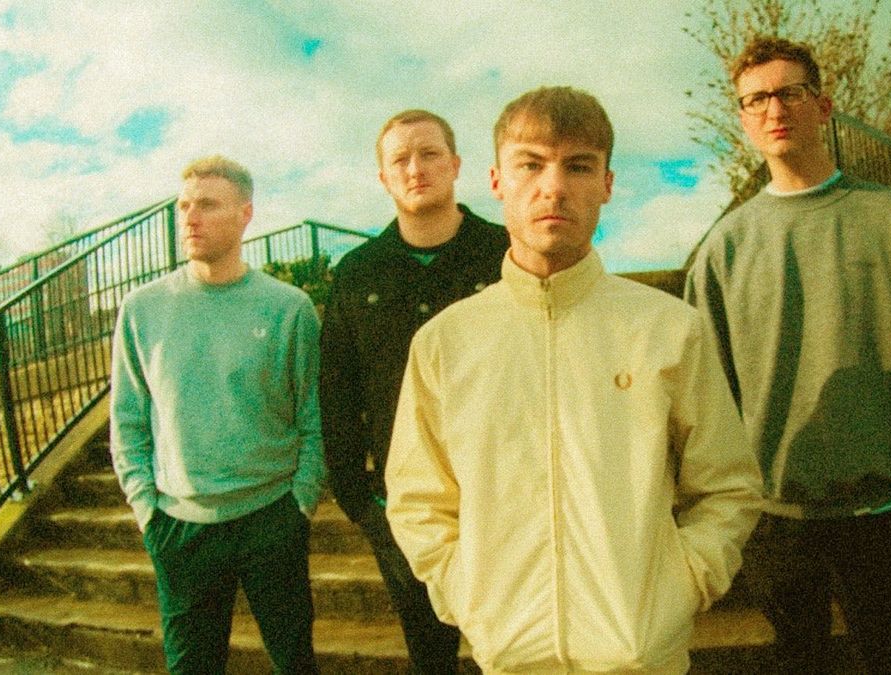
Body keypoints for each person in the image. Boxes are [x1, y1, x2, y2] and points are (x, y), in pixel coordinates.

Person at [384, 86, 762, 674]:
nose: (554, 187)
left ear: (607, 184)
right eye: (530, 164)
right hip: (509, 658)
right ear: (496, 181)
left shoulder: (669, 329)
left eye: (579, 166)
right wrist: (469, 594)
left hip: (643, 661)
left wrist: (684, 582)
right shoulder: (444, 343)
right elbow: (417, 500)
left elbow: (727, 486)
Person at [684, 37, 891, 674]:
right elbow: (707, 393)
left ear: (824, 106)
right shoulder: (724, 249)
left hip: (883, 509)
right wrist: (730, 502)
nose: (774, 109)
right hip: (774, 519)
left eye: (790, 92)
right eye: (756, 99)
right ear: (743, 119)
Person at [110, 155, 324, 674]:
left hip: (271, 517)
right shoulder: (142, 309)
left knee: (295, 663)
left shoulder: (289, 308)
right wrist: (147, 510)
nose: (190, 217)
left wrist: (301, 503)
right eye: (184, 205)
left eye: (207, 204)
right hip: (180, 527)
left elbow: (313, 416)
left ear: (245, 214)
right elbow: (129, 420)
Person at [319, 109, 507, 673]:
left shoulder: (506, 253)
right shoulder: (357, 273)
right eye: (399, 159)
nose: (415, 168)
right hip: (405, 508)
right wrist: (360, 501)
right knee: (430, 658)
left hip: (504, 494)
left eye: (429, 153)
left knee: (518, 649)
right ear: (384, 177)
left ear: (456, 164)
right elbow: (337, 393)